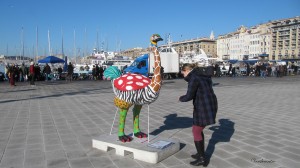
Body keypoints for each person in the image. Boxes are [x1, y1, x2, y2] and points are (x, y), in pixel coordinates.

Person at [179, 63, 218, 166]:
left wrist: (181, 98)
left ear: (187, 71)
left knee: (196, 130)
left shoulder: (194, 78)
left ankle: (202, 158)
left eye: (183, 72)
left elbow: (189, 95)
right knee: (199, 130)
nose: (182, 75)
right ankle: (200, 153)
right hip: (210, 104)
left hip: (203, 106)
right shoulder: (202, 75)